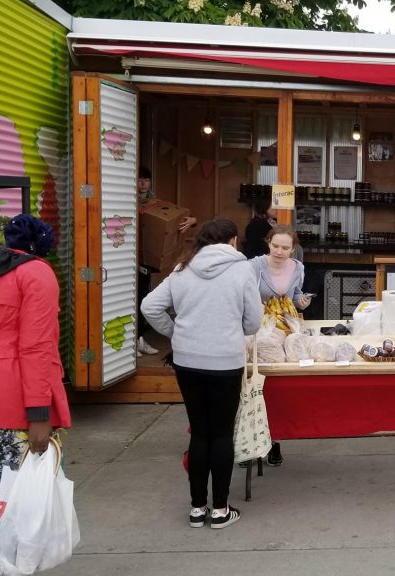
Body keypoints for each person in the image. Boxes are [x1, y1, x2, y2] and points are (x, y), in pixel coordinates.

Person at [141, 218, 263, 529]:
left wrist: (176, 333)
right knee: (222, 434)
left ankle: (197, 509)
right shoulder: (242, 269)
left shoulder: (183, 269)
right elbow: (253, 322)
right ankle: (220, 510)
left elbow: (149, 307)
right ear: (233, 241)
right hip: (225, 361)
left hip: (187, 361)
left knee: (200, 431)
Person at [0, 215, 71, 544]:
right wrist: (39, 414)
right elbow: (35, 349)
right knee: (17, 514)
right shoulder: (36, 274)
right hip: (11, 405)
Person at [248, 226, 311, 467]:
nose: (280, 251)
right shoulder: (254, 266)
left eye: (285, 247)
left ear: (293, 249)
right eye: (275, 246)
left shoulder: (298, 267)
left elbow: (294, 297)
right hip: (257, 330)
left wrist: (302, 302)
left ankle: (274, 442)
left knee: (277, 389)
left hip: (284, 331)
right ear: (268, 243)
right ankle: (249, 444)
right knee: (253, 387)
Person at [137, 166, 198, 357]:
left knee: (142, 297)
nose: (142, 184)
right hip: (128, 258)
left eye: (146, 180)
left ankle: (139, 338)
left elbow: (180, 217)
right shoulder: (126, 201)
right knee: (135, 300)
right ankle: (135, 341)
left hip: (147, 260)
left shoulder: (156, 202)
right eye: (139, 180)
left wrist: (192, 220)